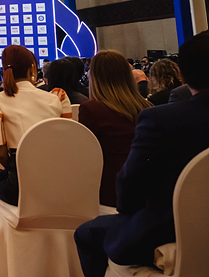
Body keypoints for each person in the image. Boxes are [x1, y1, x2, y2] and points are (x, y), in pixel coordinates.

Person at [75, 31, 209, 277]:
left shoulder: (160, 119)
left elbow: (129, 188)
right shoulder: (147, 108)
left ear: (183, 74)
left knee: (85, 234)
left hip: (167, 227)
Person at [0, 45, 71, 205]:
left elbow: (1, 155)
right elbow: (66, 145)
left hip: (19, 187)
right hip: (57, 183)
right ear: (32, 68)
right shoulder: (58, 98)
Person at [78, 50, 150, 208]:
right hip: (146, 191)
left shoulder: (91, 110)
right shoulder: (147, 107)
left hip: (109, 194)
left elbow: (83, 156)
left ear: (94, 77)